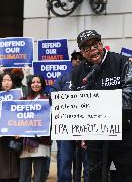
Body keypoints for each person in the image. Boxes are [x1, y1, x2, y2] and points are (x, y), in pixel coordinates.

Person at [70, 30, 132, 182]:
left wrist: (105, 107)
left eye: (96, 44)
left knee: (127, 176)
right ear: (82, 53)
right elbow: (76, 105)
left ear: (102, 45)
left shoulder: (121, 61)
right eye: (87, 48)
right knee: (94, 176)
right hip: (95, 137)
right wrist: (81, 131)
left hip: (125, 133)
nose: (93, 50)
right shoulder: (77, 73)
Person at [49, 50, 88, 182]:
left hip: (86, 127)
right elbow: (52, 96)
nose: (77, 60)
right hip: (66, 128)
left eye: (80, 58)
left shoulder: (91, 76)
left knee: (87, 163)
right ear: (71, 61)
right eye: (75, 58)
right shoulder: (63, 77)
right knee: (65, 161)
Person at [0, 72, 20, 182]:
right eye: (4, 80)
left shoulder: (19, 97)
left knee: (13, 171)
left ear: (13, 82)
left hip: (13, 138)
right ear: (0, 82)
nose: (6, 83)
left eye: (9, 80)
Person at [19, 75, 51, 182]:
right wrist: (15, 131)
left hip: (41, 142)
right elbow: (16, 119)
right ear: (30, 85)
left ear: (42, 85)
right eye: (33, 82)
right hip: (25, 143)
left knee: (39, 177)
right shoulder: (22, 101)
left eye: (38, 82)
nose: (35, 84)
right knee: (24, 176)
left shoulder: (48, 101)